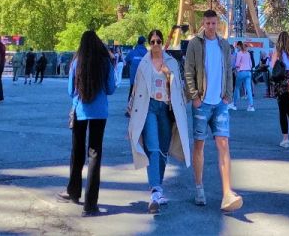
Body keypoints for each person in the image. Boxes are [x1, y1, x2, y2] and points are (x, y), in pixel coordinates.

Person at [183, 9, 242, 212]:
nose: (210, 27)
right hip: (202, 103)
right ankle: (199, 187)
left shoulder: (224, 45)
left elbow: (228, 70)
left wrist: (228, 95)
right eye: (207, 23)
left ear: (218, 24)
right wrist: (194, 97)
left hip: (220, 104)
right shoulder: (194, 44)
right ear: (203, 23)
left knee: (224, 144)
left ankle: (227, 192)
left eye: (214, 23)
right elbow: (188, 70)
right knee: (199, 145)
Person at [127, 29, 191, 214]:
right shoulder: (144, 64)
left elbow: (179, 88)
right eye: (152, 41)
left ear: (162, 43)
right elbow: (136, 89)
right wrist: (131, 119)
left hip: (165, 109)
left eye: (158, 41)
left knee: (163, 149)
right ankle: (155, 191)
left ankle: (159, 188)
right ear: (149, 43)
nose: (155, 44)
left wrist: (168, 75)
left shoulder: (171, 62)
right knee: (152, 148)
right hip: (148, 109)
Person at [59, 30, 119, 216]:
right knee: (94, 155)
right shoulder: (105, 63)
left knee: (76, 152)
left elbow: (70, 91)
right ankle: (90, 204)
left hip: (80, 111)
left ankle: (74, 191)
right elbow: (110, 89)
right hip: (99, 112)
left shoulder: (76, 62)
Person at [269, 30, 289, 147]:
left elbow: (272, 66)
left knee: (282, 111)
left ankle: (285, 139)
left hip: (281, 81)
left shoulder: (277, 51)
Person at [231, 41, 254, 112]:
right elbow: (250, 64)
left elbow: (237, 63)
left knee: (237, 88)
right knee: (249, 89)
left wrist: (236, 68)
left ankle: (234, 104)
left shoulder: (239, 53)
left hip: (241, 72)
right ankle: (251, 106)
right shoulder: (248, 54)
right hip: (248, 72)